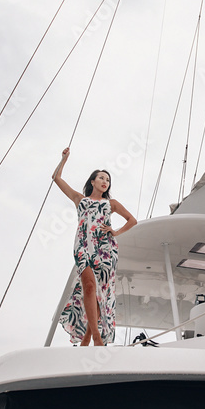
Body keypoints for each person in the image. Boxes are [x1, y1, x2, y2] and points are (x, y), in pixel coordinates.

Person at [52, 147, 137, 346]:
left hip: (106, 249)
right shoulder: (80, 200)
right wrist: (64, 159)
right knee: (89, 286)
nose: (104, 181)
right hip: (82, 246)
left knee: (101, 293)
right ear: (92, 182)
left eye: (107, 179)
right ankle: (95, 337)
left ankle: (88, 337)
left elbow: (132, 220)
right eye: (101, 178)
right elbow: (56, 178)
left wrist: (115, 232)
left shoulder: (111, 204)